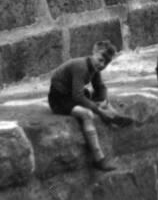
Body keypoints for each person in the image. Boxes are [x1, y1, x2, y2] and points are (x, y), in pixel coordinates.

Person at [48, 40, 119, 171]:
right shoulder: (81, 66)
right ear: (94, 53)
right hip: (59, 98)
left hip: (71, 94)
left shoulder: (95, 68)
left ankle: (115, 118)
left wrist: (104, 101)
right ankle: (99, 158)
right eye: (100, 60)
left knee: (101, 101)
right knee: (87, 114)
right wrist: (100, 112)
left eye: (106, 63)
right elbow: (78, 96)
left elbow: (100, 87)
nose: (102, 65)